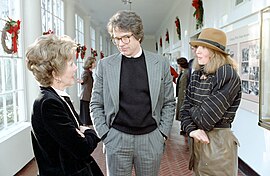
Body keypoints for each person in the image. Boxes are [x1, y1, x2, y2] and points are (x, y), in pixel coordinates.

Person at [90, 10, 175, 176]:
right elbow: (96, 103)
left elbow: (169, 102)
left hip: (151, 139)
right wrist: (105, 135)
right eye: (116, 39)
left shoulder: (160, 64)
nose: (121, 43)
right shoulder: (105, 65)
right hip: (117, 138)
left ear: (138, 35)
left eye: (125, 37)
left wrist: (162, 134)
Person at [26, 34, 103, 176]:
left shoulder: (57, 98)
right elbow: (81, 148)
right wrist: (89, 132)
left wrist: (83, 133)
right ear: (55, 73)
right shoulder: (48, 103)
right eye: (71, 64)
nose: (75, 68)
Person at [180, 28, 242, 176]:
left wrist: (192, 109)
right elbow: (183, 109)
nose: (197, 52)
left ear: (215, 52)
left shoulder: (227, 74)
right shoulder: (197, 74)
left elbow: (205, 119)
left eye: (203, 48)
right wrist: (192, 130)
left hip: (218, 145)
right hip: (198, 141)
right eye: (197, 47)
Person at [79, 56, 96, 126]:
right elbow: (82, 81)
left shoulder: (89, 72)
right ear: (90, 63)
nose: (95, 64)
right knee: (86, 112)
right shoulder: (86, 72)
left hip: (88, 96)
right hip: (85, 96)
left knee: (87, 112)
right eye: (94, 63)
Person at [175, 57, 189, 135]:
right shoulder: (183, 72)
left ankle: (184, 128)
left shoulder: (186, 73)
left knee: (183, 111)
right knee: (181, 111)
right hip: (181, 95)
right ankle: (183, 127)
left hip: (184, 95)